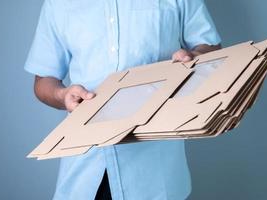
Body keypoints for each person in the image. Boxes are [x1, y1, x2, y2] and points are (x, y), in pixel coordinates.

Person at [25, 0, 221, 199]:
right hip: (85, 170)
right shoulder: (58, 4)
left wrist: (194, 58)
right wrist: (62, 95)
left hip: (156, 173)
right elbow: (43, 80)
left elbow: (211, 48)